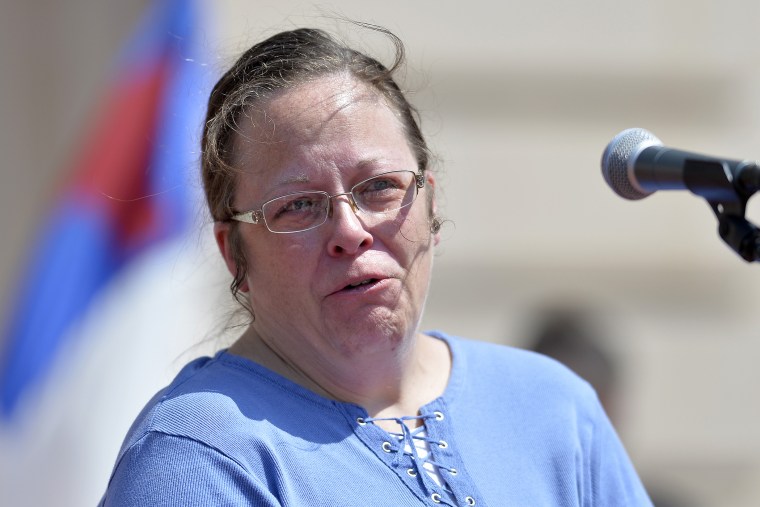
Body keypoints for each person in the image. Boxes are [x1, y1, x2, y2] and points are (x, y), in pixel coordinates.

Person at [99, 24, 653, 506]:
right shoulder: (199, 454)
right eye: (297, 206)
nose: (350, 230)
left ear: (430, 204)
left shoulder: (552, 406)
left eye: (381, 188)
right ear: (233, 252)